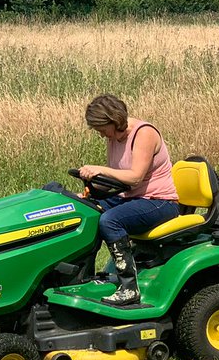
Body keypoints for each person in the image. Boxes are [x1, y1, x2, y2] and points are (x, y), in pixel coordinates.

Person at [77, 94, 180, 306]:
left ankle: (129, 287)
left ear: (113, 121)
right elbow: (116, 178)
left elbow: (135, 177)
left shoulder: (144, 134)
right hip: (131, 197)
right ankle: (83, 277)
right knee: (87, 210)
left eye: (101, 129)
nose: (101, 135)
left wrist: (100, 170)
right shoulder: (114, 138)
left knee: (110, 221)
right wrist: (91, 188)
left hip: (160, 201)